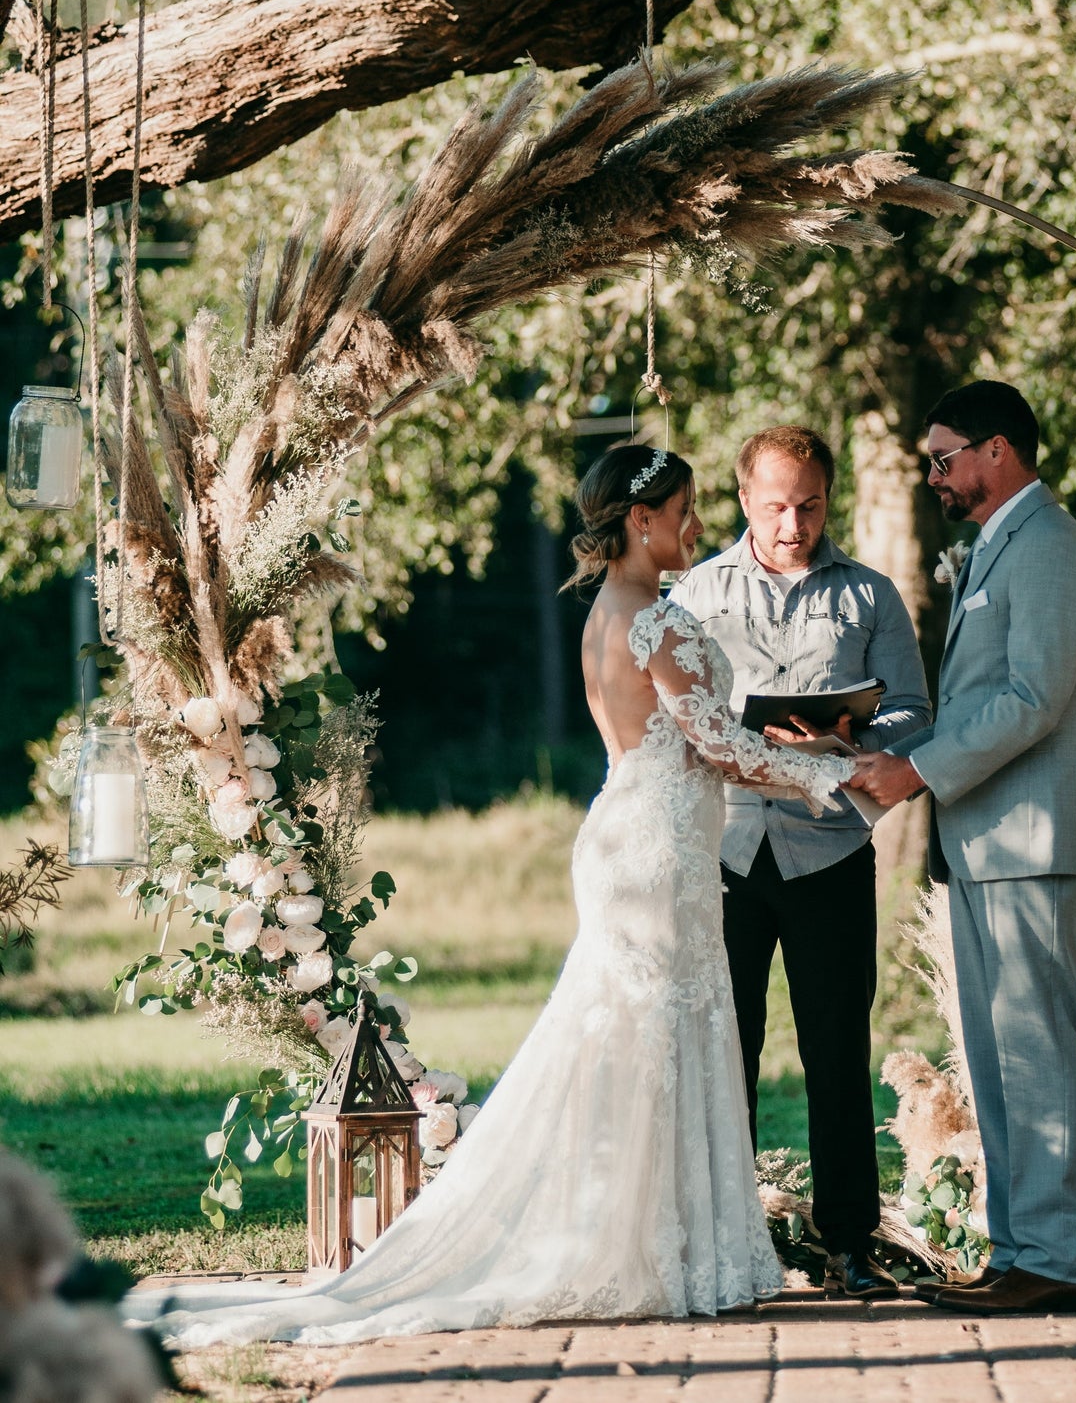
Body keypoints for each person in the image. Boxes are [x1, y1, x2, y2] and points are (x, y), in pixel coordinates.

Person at [124, 445, 854, 1346]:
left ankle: (667, 1244)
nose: (696, 527)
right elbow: (719, 748)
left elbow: (697, 736)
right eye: (684, 511)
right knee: (658, 1035)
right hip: (656, 853)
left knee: (644, 1038)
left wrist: (801, 753)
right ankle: (657, 1250)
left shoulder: (611, 611)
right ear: (641, 520)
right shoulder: (657, 621)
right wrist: (830, 772)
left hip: (635, 835)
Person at [852, 381, 1076, 1317]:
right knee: (995, 1055)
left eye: (943, 457)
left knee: (1036, 1051)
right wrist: (883, 751)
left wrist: (918, 769)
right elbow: (977, 698)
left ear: (997, 449)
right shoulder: (1002, 543)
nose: (933, 476)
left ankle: (1059, 1260)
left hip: (1031, 839)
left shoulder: (1050, 547)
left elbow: (1034, 699)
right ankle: (1018, 1250)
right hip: (983, 837)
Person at [669, 425, 930, 1300]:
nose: (793, 525)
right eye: (777, 506)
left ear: (829, 498)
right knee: (725, 1050)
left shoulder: (870, 596)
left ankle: (850, 1244)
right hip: (725, 852)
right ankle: (730, 1245)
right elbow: (672, 713)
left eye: (809, 506)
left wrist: (851, 735)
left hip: (830, 851)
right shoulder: (695, 591)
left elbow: (913, 712)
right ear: (744, 499)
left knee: (836, 1049)